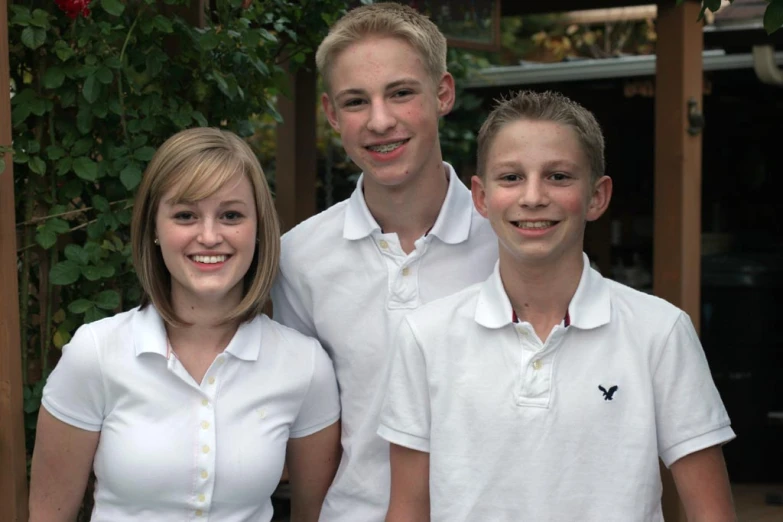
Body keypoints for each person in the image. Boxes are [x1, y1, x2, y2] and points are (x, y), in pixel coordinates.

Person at [379, 90, 737, 522]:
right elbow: (407, 512)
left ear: (597, 197)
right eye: (511, 177)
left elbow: (712, 514)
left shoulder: (659, 332)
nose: (533, 196)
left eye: (559, 177)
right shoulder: (426, 335)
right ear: (481, 197)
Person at [29, 128, 341, 522]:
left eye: (231, 215)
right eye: (185, 215)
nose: (209, 236)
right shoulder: (95, 353)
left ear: (259, 227)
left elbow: (313, 515)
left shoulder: (303, 365)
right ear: (154, 230)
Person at [270, 3, 498, 521]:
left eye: (400, 92)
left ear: (442, 94)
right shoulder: (301, 257)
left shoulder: (508, 242)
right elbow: (310, 427)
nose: (379, 120)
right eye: (356, 101)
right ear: (331, 114)